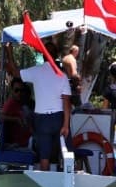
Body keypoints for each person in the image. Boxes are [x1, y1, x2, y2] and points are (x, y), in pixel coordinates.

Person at [4, 41, 71, 170]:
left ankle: (44, 178)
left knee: (44, 156)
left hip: (41, 119)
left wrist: (9, 51)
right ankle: (68, 177)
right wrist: (66, 125)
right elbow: (66, 102)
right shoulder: (62, 76)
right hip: (59, 118)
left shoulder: (36, 71)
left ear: (44, 55)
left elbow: (15, 72)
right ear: (56, 56)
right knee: (66, 151)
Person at [0, 77, 33, 149]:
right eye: (16, 90)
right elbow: (0, 117)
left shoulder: (20, 103)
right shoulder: (10, 103)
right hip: (20, 144)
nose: (19, 93)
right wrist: (16, 119)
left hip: (28, 139)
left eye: (21, 91)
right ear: (12, 90)